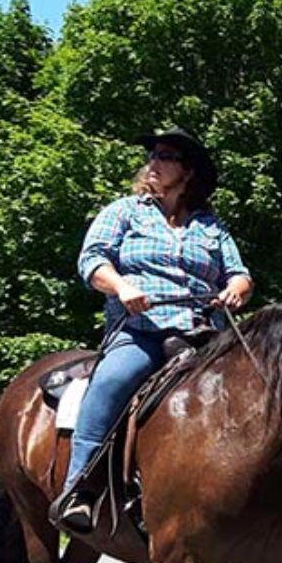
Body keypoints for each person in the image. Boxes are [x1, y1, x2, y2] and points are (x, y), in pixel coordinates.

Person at [51, 126, 254, 535]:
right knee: (111, 381)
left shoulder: (211, 226)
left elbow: (239, 273)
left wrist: (236, 288)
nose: (153, 163)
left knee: (263, 384)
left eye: (165, 156)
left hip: (204, 333)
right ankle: (80, 488)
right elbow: (92, 260)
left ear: (188, 172)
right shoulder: (125, 211)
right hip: (141, 330)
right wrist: (122, 286)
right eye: (153, 155)